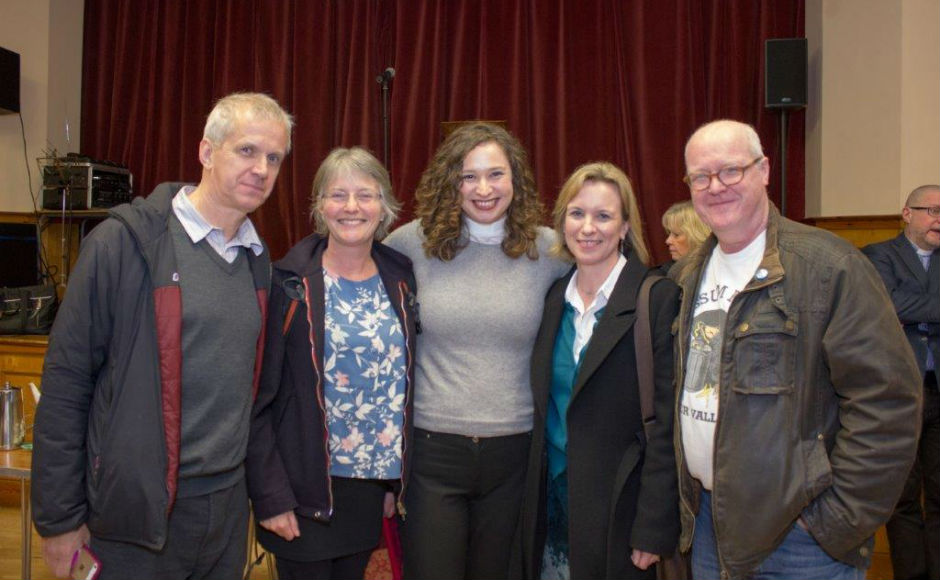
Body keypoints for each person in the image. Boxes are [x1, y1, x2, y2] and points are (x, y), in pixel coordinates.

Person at [30, 92, 293, 579]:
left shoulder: (258, 260)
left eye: (274, 157)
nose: (261, 168)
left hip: (226, 511)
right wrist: (59, 521)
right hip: (136, 515)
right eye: (247, 150)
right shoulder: (123, 244)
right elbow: (66, 387)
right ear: (207, 152)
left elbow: (255, 399)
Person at [672, 119, 922, 580]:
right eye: (700, 177)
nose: (716, 187)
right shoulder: (685, 278)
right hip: (709, 528)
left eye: (731, 171)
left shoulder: (830, 267)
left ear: (764, 170)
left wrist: (834, 522)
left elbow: (888, 402)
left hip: (802, 542)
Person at [384, 122, 569, 579]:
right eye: (469, 176)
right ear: (450, 181)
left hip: (515, 454)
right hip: (432, 452)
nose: (483, 189)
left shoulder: (549, 250)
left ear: (516, 180)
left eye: (495, 175)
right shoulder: (411, 243)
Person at [245, 147, 418, 580]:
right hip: (301, 491)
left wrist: (391, 484)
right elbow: (258, 400)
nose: (352, 207)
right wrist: (270, 496)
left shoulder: (401, 277)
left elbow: (403, 385)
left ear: (384, 207)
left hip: (366, 493)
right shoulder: (288, 282)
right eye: (337, 195)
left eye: (366, 195)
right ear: (320, 206)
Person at [517, 162, 680, 580]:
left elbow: (666, 426)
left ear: (625, 226)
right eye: (577, 214)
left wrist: (653, 524)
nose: (588, 228)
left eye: (603, 216)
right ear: (561, 223)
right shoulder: (554, 298)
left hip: (620, 513)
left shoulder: (657, 300)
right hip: (551, 507)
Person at [862, 184, 940, 580]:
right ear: (907, 214)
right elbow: (887, 305)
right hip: (897, 393)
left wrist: (912, 310)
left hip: (938, 391)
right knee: (902, 496)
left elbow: (906, 307)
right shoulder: (879, 255)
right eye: (931, 210)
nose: (939, 220)